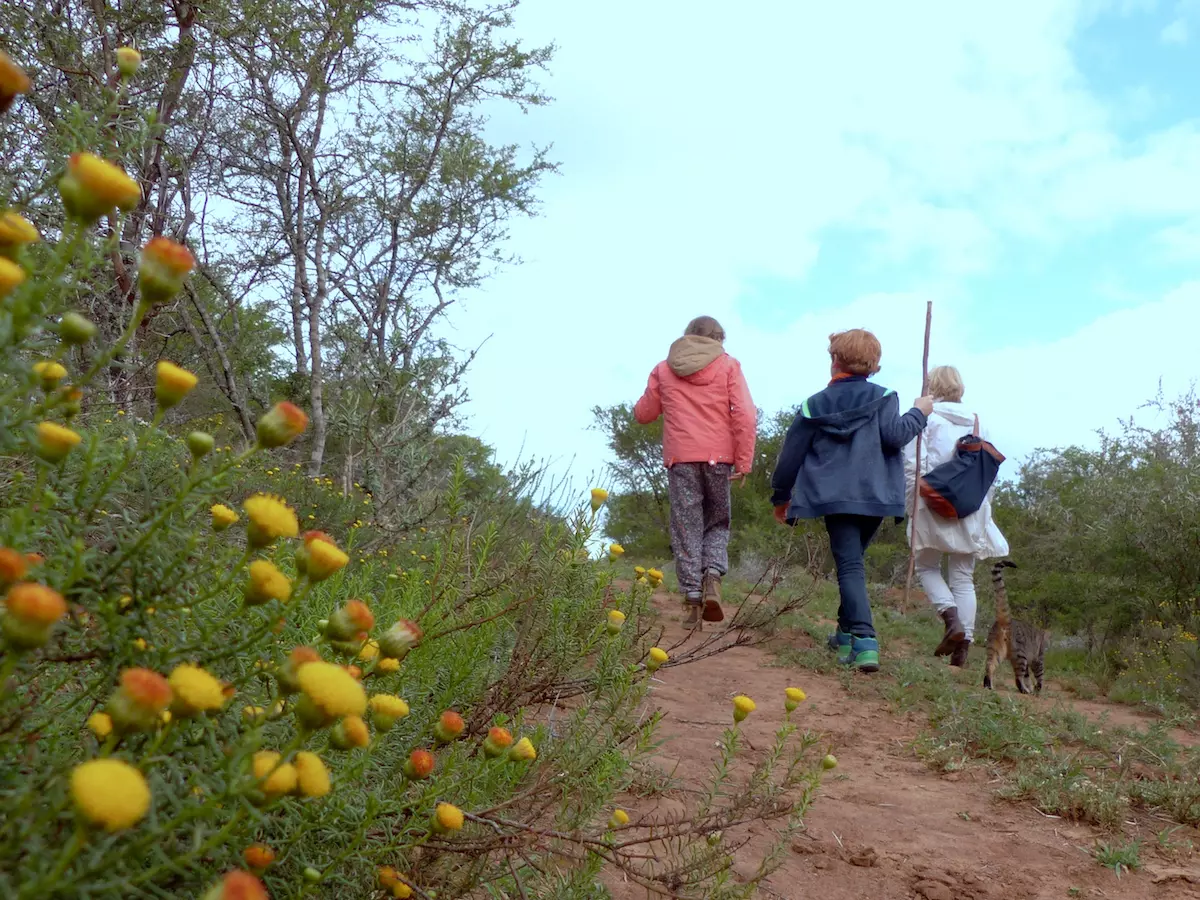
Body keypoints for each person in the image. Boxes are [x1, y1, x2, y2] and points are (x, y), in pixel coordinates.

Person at [769, 329, 932, 672]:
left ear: (834, 360)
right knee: (852, 563)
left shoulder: (815, 404)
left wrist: (781, 497)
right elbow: (896, 437)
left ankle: (865, 639)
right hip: (876, 496)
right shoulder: (887, 397)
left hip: (834, 497)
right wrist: (920, 412)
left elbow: (790, 456)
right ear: (874, 366)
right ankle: (845, 634)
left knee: (850, 565)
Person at [634, 316, 757, 628]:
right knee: (717, 521)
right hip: (719, 458)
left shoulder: (664, 369)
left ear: (687, 336)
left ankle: (691, 598)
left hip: (681, 459)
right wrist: (743, 462)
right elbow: (744, 414)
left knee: (686, 526)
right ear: (719, 338)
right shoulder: (729, 366)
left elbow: (644, 414)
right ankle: (712, 577)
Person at [903, 365, 1009, 667]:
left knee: (926, 566)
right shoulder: (978, 423)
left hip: (931, 502)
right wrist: (982, 509)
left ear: (932, 386)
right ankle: (963, 646)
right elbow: (988, 473)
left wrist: (911, 504)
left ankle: (952, 621)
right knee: (963, 577)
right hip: (971, 508)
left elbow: (912, 465)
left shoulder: (926, 419)